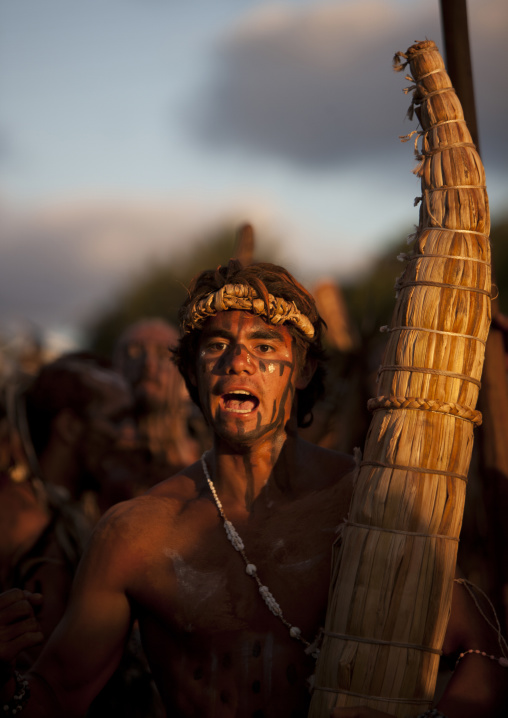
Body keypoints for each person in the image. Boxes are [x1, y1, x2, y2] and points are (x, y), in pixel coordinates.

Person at [0, 261, 507, 717]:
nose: (236, 363)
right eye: (216, 346)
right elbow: (57, 692)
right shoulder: (136, 535)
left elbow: (483, 655)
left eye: (264, 347)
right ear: (193, 373)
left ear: (304, 369)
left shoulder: (369, 503)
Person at [101, 319, 207, 509]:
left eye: (163, 354)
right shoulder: (96, 460)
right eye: (133, 353)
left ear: (188, 376)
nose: (147, 363)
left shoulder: (215, 457)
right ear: (114, 371)